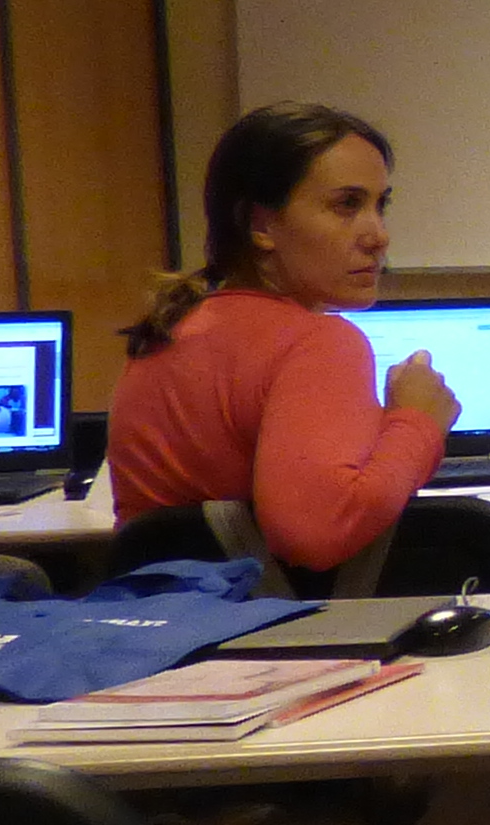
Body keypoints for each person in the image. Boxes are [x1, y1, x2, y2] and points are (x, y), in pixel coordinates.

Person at [106, 101, 457, 578]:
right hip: (268, 620)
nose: (378, 236)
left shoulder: (166, 331)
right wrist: (418, 421)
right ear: (262, 226)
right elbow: (315, 536)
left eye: (380, 205)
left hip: (160, 617)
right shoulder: (319, 342)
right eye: (347, 205)